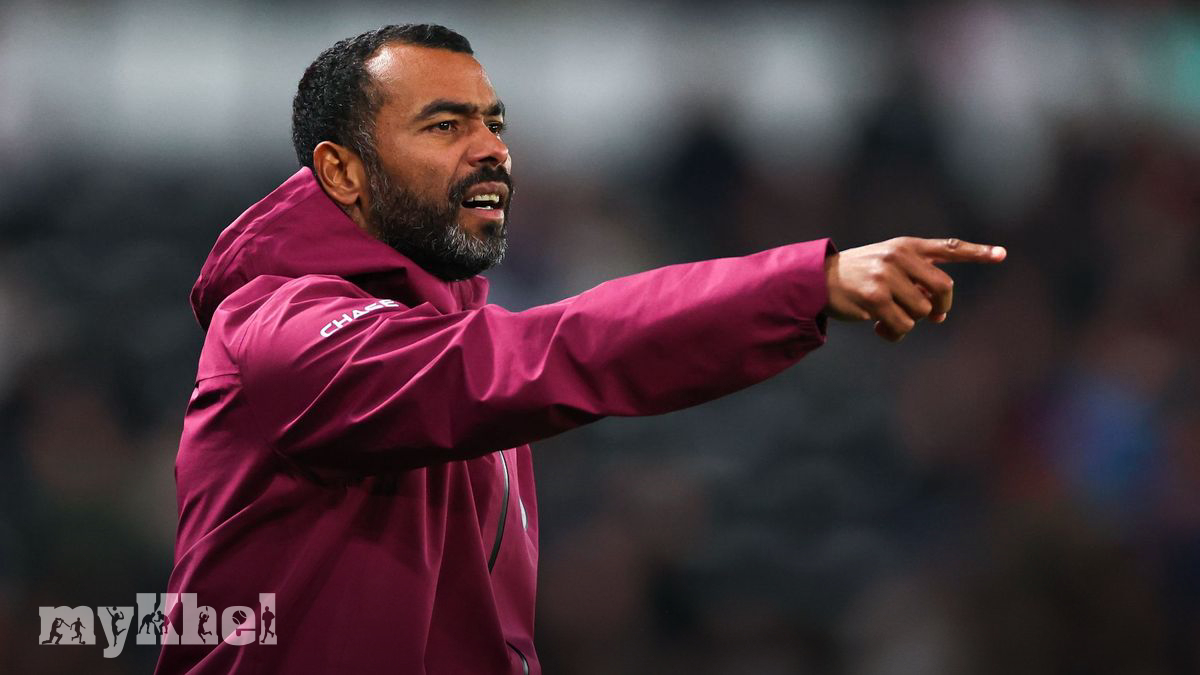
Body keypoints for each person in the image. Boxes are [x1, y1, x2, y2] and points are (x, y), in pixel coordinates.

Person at [156, 23, 1004, 675]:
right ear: (343, 172)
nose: (491, 149)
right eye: (445, 125)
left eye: (494, 123)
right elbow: (550, 353)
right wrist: (799, 286)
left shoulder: (440, 328)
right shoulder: (279, 331)